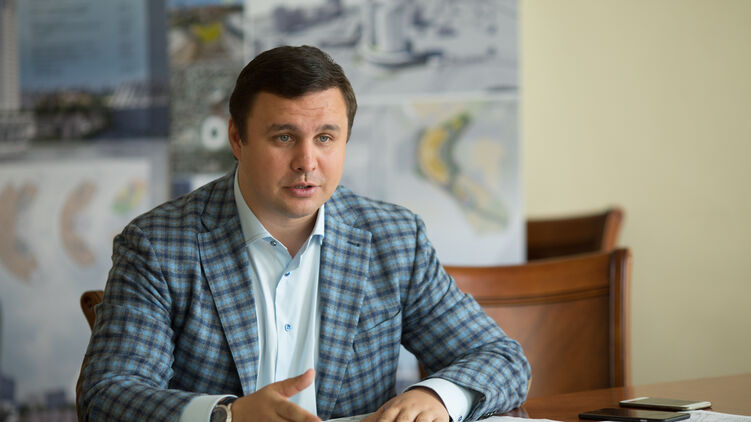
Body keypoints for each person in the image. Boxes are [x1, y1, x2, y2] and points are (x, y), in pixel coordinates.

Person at [78, 45, 530, 422]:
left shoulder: (393, 238)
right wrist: (228, 416)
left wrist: (437, 396)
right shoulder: (158, 245)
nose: (307, 162)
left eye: (326, 138)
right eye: (284, 137)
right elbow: (107, 394)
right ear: (237, 139)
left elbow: (501, 358)